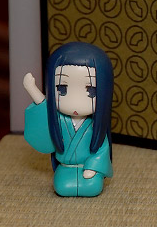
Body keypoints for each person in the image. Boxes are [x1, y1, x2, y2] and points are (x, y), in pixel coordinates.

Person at [23, 42, 113, 197]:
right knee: (62, 185)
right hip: (66, 168)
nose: (75, 102)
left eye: (91, 91)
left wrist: (93, 167)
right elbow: (45, 117)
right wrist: (33, 90)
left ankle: (92, 173)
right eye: (62, 89)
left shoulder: (94, 126)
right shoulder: (58, 121)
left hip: (89, 169)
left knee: (92, 186)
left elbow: (102, 149)